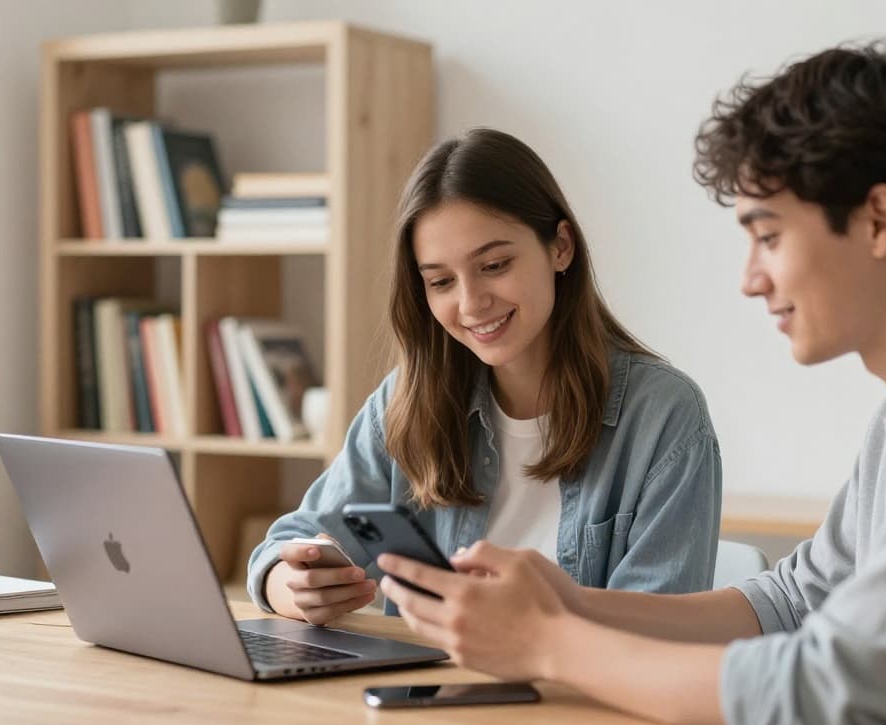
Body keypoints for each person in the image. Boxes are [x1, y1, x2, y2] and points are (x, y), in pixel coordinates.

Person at [375, 41, 886, 725]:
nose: (751, 277)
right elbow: (794, 597)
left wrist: (547, 641)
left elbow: (822, 704)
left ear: (879, 220)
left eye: (768, 235)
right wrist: (574, 603)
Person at [246, 129, 721, 639]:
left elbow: (658, 637)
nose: (471, 304)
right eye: (441, 281)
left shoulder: (664, 416)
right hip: (424, 705)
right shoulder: (408, 400)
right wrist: (289, 583)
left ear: (560, 247)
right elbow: (289, 542)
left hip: (580, 712)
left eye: (494, 266)